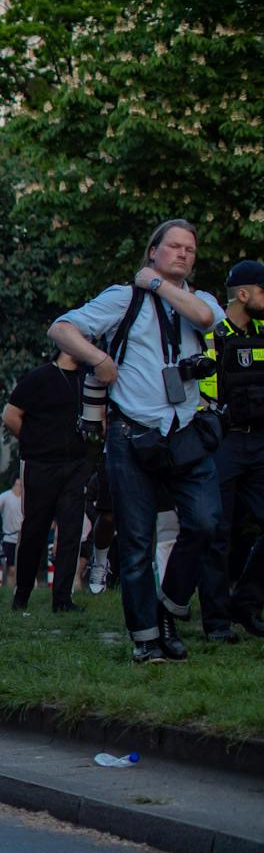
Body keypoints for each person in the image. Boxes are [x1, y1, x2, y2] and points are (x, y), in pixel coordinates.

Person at [49, 218, 222, 663]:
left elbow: (205, 320)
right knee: (138, 540)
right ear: (153, 250)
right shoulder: (123, 298)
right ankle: (146, 638)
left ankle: (169, 607)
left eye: (190, 249)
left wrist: (159, 285)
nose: (183, 254)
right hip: (131, 433)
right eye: (174, 247)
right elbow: (61, 329)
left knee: (206, 522)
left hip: (185, 432)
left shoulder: (199, 300)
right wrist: (99, 358)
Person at [197, 259, 264, 639]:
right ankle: (217, 621)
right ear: (244, 294)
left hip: (260, 441)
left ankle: (248, 602)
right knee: (217, 532)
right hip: (223, 440)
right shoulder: (212, 335)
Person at [5, 349, 92, 612]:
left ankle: (63, 599)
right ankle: (22, 594)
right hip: (40, 464)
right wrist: (35, 444)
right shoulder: (38, 378)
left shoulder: (88, 379)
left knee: (71, 531)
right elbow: (10, 416)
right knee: (34, 530)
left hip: (76, 465)